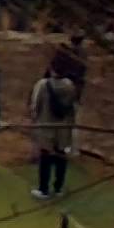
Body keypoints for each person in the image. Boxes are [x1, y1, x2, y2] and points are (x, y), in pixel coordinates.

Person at [29, 60, 78, 199]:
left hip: (47, 126)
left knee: (45, 158)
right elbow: (72, 107)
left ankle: (43, 189)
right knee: (61, 157)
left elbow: (36, 106)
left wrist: (35, 119)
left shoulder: (44, 85)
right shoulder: (70, 86)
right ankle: (58, 188)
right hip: (63, 128)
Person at [52, 32, 87, 150]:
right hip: (76, 90)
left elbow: (57, 70)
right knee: (73, 120)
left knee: (63, 119)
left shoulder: (67, 54)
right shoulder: (82, 54)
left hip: (65, 89)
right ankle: (71, 147)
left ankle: (62, 145)